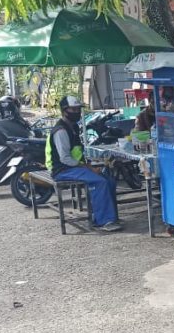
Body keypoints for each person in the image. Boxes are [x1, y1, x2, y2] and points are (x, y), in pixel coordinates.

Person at [47, 95, 122, 232]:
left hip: (74, 167)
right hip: (63, 170)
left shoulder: (73, 127)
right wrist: (88, 167)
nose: (77, 112)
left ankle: (108, 217)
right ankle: (104, 221)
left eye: (78, 109)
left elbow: (77, 152)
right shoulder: (61, 131)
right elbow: (65, 158)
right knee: (99, 182)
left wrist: (93, 163)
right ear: (64, 110)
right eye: (73, 109)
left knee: (109, 180)